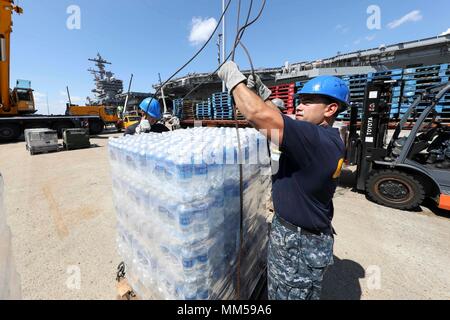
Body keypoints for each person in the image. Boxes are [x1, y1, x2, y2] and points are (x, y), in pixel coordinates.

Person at [218, 62, 349, 300]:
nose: (299, 106)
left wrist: (232, 79)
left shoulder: (314, 138)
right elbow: (278, 117)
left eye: (308, 102)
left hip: (299, 244)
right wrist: (264, 93)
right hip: (294, 236)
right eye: (300, 100)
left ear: (330, 109)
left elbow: (258, 116)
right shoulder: (327, 136)